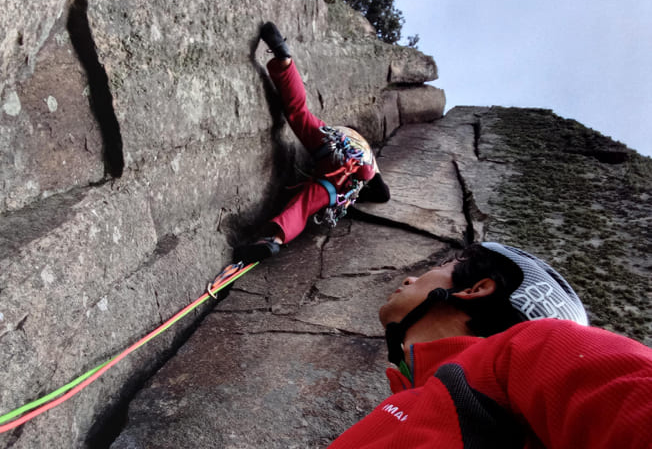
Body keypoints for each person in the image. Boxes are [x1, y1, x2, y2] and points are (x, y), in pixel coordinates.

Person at [329, 242, 652, 448]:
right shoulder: (419, 399)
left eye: (439, 268)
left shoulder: (536, 346)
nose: (409, 280)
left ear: (475, 289)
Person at [233, 22, 390, 264]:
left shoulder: (355, 138)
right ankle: (273, 240)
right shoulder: (370, 163)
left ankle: (284, 61)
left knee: (298, 112)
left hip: (337, 141)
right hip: (351, 174)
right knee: (305, 205)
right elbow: (383, 195)